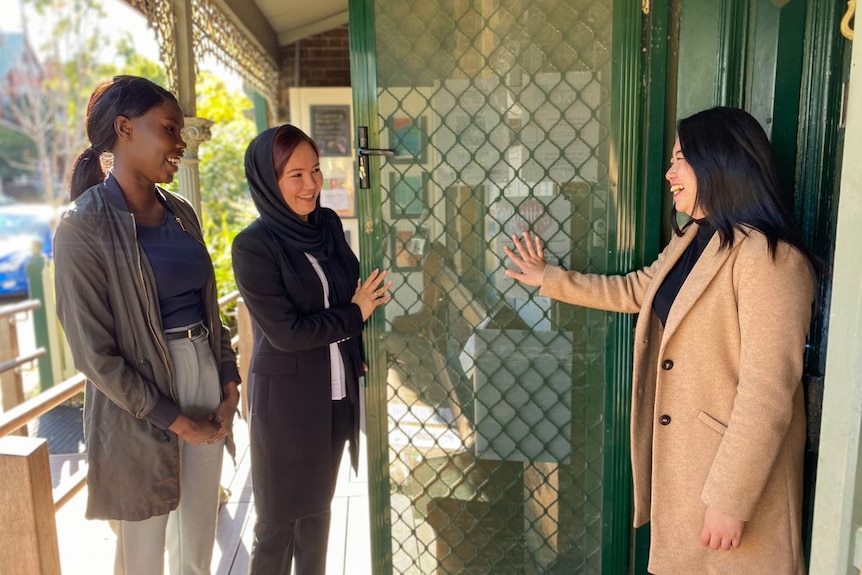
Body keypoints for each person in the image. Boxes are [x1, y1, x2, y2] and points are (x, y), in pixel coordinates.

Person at [504, 107, 815, 574]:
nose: (669, 173)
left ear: (720, 161)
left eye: (681, 158)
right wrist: (549, 279)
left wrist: (731, 498)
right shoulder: (697, 238)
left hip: (729, 486)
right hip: (688, 476)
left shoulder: (770, 259)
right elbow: (637, 289)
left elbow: (767, 394)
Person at [54, 75, 240, 575]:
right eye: (169, 129)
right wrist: (174, 418)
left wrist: (228, 382)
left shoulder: (182, 214)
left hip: (203, 371)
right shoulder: (81, 227)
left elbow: (208, 308)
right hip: (137, 402)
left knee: (197, 542)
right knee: (142, 552)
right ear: (124, 129)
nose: (180, 143)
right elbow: (95, 356)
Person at [232, 124, 390, 575]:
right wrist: (354, 316)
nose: (312, 185)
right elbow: (286, 332)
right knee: (278, 525)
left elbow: (350, 290)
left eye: (315, 171)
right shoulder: (253, 246)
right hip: (286, 406)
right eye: (296, 175)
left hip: (337, 396)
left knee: (318, 516)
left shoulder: (327, 226)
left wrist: (356, 337)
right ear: (269, 180)